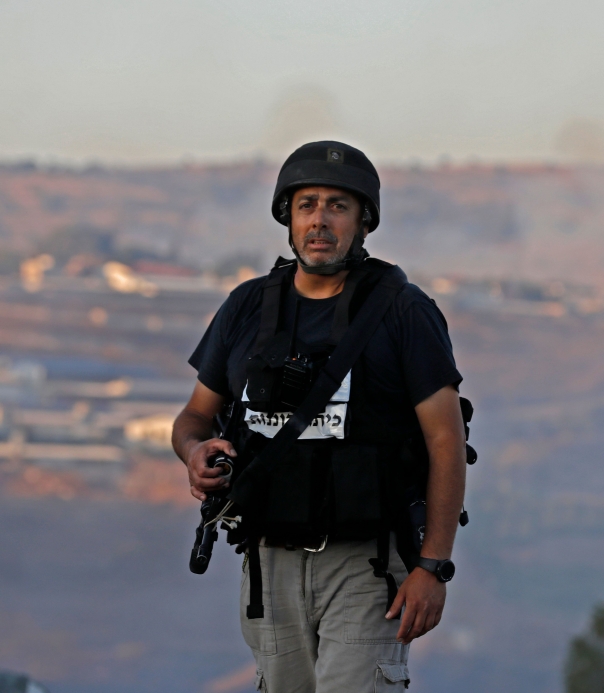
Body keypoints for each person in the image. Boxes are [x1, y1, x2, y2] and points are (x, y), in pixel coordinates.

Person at [171, 141, 468, 692]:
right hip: (268, 563)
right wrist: (195, 452)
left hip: (367, 566)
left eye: (338, 206)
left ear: (363, 222)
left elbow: (446, 442)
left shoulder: (404, 312)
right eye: (307, 205)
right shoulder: (246, 307)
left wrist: (433, 567)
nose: (320, 220)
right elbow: (193, 417)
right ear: (288, 217)